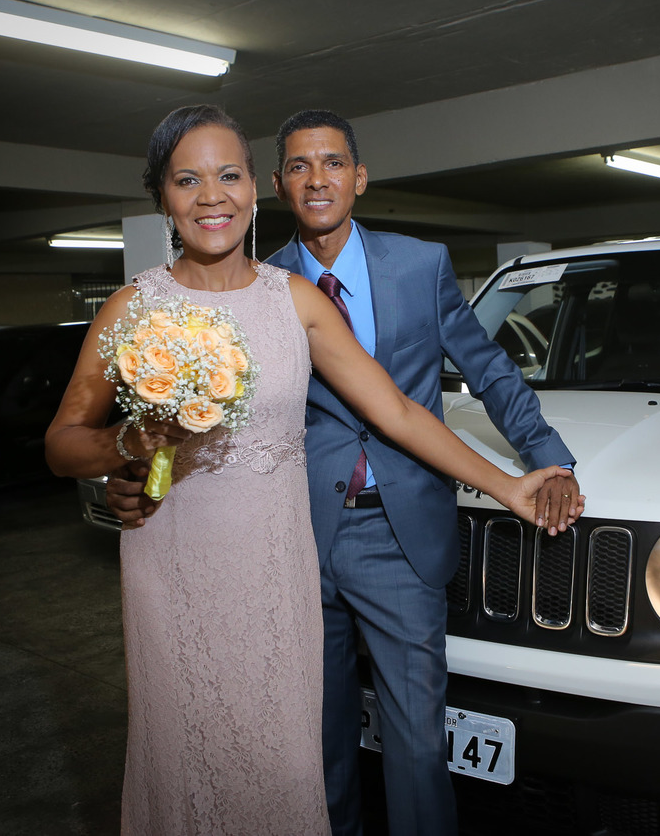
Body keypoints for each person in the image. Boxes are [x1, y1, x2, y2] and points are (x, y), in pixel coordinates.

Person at [45, 104, 581, 836]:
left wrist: (510, 480)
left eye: (227, 176)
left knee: (287, 758)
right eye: (187, 180)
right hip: (182, 565)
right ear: (162, 196)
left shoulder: (292, 299)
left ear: (251, 190)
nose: (211, 197)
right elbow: (64, 443)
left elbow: (397, 410)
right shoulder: (134, 308)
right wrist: (133, 450)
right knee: (193, 748)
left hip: (279, 561)